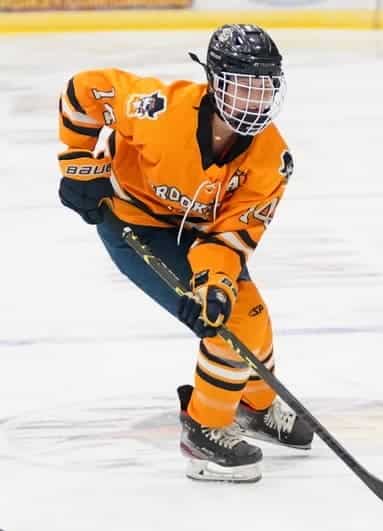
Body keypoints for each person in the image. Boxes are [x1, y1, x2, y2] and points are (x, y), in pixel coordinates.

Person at [56, 23, 313, 483]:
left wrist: (213, 284)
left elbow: (230, 237)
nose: (255, 99)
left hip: (197, 234)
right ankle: (202, 433)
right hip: (134, 223)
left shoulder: (272, 159)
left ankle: (253, 406)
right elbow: (84, 90)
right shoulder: (158, 110)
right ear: (215, 83)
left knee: (248, 314)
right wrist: (78, 161)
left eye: (264, 86)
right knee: (233, 327)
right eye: (243, 86)